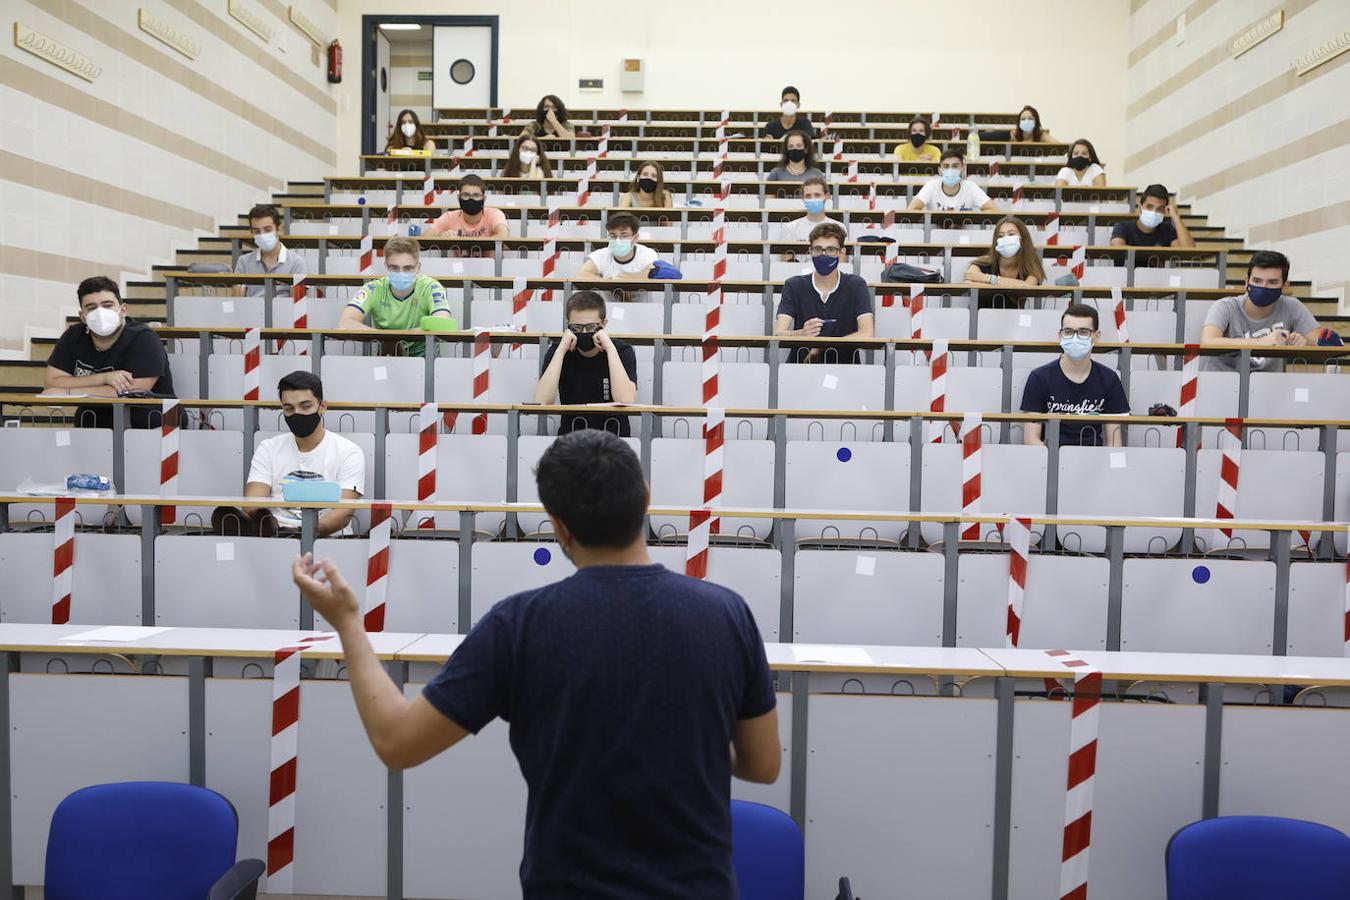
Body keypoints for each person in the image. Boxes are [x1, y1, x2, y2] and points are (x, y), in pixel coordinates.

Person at [290, 428, 780, 897]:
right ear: (646, 499)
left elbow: (397, 744)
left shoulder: (518, 625)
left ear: (559, 526)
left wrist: (349, 624)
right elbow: (763, 764)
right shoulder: (727, 613)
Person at [234, 371, 364, 537]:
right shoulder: (268, 448)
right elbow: (252, 504)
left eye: (305, 406)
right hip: (275, 537)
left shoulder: (348, 452)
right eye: (289, 408)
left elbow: (344, 511)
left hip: (329, 541)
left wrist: (306, 533)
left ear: (322, 407)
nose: (297, 413)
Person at [44, 276, 176, 430]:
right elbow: (51, 383)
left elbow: (131, 392)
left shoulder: (144, 338)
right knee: (86, 416)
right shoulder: (73, 336)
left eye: (107, 305)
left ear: (123, 310)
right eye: (92, 307)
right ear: (82, 316)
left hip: (156, 423)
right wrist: (104, 378)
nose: (100, 312)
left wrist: (67, 392)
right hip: (98, 421)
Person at [1020, 304, 1128, 447]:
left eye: (1083, 332)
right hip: (1051, 462)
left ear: (1096, 336)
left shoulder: (1110, 379)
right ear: (1060, 336)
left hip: (1094, 462)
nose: (1075, 337)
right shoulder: (1039, 378)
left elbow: (1114, 441)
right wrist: (1058, 464)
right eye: (1068, 331)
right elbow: (1030, 440)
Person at [533, 291, 639, 436]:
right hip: (571, 440)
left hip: (615, 441)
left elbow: (626, 400)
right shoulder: (559, 351)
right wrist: (560, 350)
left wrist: (609, 348)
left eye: (591, 327)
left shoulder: (621, 350)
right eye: (576, 328)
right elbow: (541, 401)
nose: (583, 332)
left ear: (604, 324)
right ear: (567, 326)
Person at [1200, 250, 1320, 373]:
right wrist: (1263, 341)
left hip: (1269, 386)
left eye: (1272, 282)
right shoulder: (1225, 307)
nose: (1263, 287)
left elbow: (1322, 343)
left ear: (1285, 286)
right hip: (1221, 383)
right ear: (1247, 282)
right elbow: (1208, 341)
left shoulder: (1292, 306)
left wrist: (1305, 342)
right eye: (1257, 281)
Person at [774, 222, 875, 364]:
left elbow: (867, 333)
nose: (823, 255)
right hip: (800, 367)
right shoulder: (794, 285)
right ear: (810, 252)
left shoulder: (856, 285)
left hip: (845, 369)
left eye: (831, 250)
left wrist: (822, 347)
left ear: (842, 253)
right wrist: (801, 334)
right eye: (818, 249)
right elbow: (778, 333)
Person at [337, 237, 452, 355]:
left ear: (418, 267)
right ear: (386, 266)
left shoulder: (431, 287)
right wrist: (387, 338)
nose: (401, 273)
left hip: (426, 360)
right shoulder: (373, 288)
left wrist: (398, 337)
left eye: (408, 268)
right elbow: (345, 322)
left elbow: (443, 321)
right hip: (387, 357)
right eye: (394, 268)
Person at [233, 203, 307, 297]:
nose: (262, 235)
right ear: (251, 233)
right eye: (257, 231)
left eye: (267, 230)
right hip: (251, 310)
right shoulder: (243, 261)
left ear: (279, 229)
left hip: (283, 310)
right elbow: (237, 302)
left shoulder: (296, 262)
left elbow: (297, 304)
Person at [575, 212, 660, 281]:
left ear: (635, 238)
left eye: (624, 235)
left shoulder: (647, 253)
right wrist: (609, 283)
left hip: (642, 302)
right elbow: (582, 274)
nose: (618, 240)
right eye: (613, 236)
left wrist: (620, 279)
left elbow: (654, 273)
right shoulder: (601, 254)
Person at [964, 216, 1046, 287]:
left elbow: (1028, 286)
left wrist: (988, 278)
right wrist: (1014, 284)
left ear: (1023, 238)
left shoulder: (1030, 264)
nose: (1006, 239)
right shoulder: (983, 263)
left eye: (1011, 234)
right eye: (1000, 236)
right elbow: (969, 280)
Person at [909, 148, 999, 212]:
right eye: (946, 166)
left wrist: (971, 215)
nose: (950, 170)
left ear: (963, 168)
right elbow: (911, 209)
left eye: (955, 166)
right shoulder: (931, 186)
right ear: (939, 170)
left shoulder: (971, 187)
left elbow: (993, 209)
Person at [1110, 184, 1196, 248]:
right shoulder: (1123, 226)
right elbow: (1118, 249)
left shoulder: (1168, 229)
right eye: (1149, 206)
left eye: (1160, 208)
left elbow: (1189, 251)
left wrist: (1176, 217)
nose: (1154, 212)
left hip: (1159, 273)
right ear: (1140, 209)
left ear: (1165, 211)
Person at [425, 174, 510, 238]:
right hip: (458, 262)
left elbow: (502, 235)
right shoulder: (450, 217)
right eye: (466, 195)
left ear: (484, 198)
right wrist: (439, 236)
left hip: (490, 261)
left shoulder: (494, 214)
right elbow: (425, 238)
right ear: (459, 197)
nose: (471, 199)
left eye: (476, 195)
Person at [774, 175, 843, 247]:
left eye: (817, 195)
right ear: (803, 198)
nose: (813, 199)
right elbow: (787, 256)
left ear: (827, 196)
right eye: (808, 196)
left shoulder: (839, 227)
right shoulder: (790, 228)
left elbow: (842, 256)